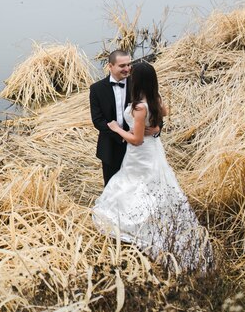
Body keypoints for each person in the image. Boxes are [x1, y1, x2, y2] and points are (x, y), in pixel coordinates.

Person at [92, 61, 212, 271]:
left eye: (132, 73)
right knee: (154, 183)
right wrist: (153, 126)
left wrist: (116, 128)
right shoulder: (155, 98)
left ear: (137, 80)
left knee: (135, 184)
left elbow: (136, 140)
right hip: (154, 150)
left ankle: (139, 224)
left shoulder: (139, 107)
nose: (128, 73)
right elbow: (163, 112)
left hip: (140, 153)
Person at [89, 50, 160, 186]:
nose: (127, 69)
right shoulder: (96, 89)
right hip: (111, 146)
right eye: (122, 66)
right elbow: (98, 120)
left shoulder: (138, 84)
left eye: (129, 64)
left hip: (140, 148)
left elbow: (154, 109)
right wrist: (121, 135)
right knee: (112, 187)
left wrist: (157, 128)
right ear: (110, 66)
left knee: (140, 186)